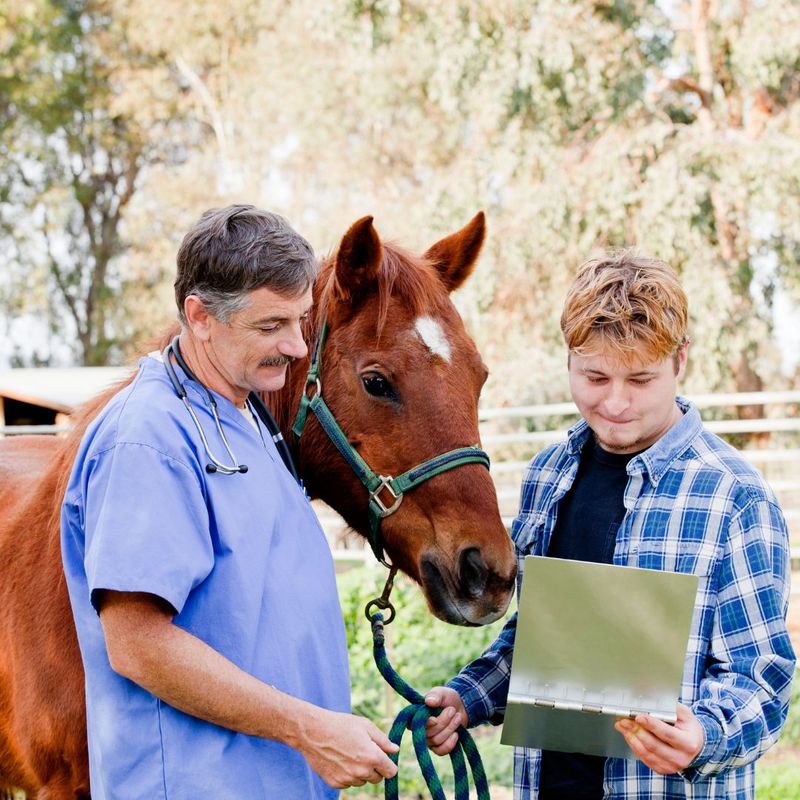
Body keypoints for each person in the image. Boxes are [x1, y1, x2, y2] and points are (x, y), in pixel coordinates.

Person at [424, 251, 796, 798]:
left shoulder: (734, 498)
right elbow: (541, 643)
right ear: (569, 360)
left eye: (640, 379)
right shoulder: (549, 476)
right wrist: (468, 697)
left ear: (680, 362)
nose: (616, 402)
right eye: (595, 376)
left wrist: (705, 735)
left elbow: (761, 676)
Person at [61, 205, 398, 799]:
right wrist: (309, 729)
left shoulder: (245, 411)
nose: (295, 346)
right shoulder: (150, 438)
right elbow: (137, 643)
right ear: (200, 316)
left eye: (299, 320)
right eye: (270, 326)